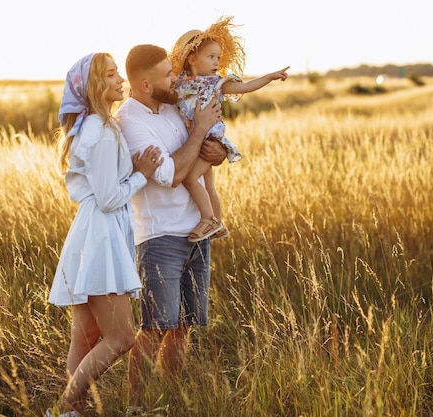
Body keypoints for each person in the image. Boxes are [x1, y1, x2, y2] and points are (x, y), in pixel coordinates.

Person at [47, 52, 163, 417]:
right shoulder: (98, 131)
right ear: (95, 85)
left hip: (95, 231)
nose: (119, 80)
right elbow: (110, 197)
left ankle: (71, 412)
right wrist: (142, 173)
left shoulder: (99, 125)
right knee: (121, 338)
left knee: (85, 336)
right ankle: (67, 403)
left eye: (117, 73)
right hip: (100, 237)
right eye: (111, 75)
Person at [115, 44, 226, 414]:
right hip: (160, 236)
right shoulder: (130, 122)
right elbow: (172, 175)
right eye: (166, 74)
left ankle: (172, 399)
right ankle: (136, 407)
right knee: (155, 327)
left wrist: (217, 151)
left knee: (184, 326)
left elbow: (200, 148)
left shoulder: (172, 106)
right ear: (145, 84)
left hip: (196, 229)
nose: (175, 77)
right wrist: (200, 137)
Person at [170, 16, 289, 242]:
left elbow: (246, 86)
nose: (216, 62)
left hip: (210, 139)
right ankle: (218, 222)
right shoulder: (182, 82)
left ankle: (210, 219)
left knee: (191, 179)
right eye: (210, 56)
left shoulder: (217, 82)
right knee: (208, 183)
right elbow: (163, 88)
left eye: (218, 57)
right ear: (192, 59)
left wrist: (270, 77)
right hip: (195, 139)